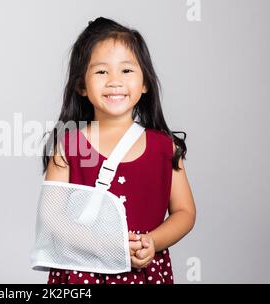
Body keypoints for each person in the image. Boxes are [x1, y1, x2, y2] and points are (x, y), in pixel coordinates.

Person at [42, 17, 196, 284]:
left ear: (145, 83)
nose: (114, 81)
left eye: (126, 71)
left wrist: (152, 241)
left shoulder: (164, 148)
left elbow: (185, 212)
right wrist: (105, 244)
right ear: (82, 85)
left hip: (142, 270)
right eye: (102, 72)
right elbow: (52, 217)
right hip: (83, 270)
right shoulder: (69, 146)